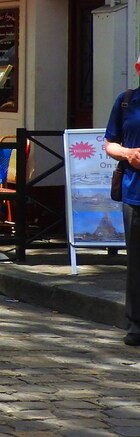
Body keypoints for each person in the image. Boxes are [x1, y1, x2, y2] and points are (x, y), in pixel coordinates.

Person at [104, 59, 140, 346]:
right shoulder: (126, 101)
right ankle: (136, 325)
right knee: (137, 262)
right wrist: (127, 154)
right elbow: (110, 143)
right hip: (134, 192)